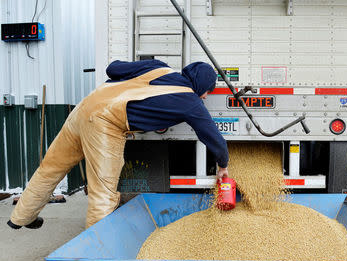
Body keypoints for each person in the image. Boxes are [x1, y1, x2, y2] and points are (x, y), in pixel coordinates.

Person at [7, 60, 229, 229]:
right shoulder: (191, 102)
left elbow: (113, 68)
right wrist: (223, 165)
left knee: (51, 166)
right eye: (208, 90)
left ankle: (21, 217)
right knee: (103, 191)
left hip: (85, 107)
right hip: (105, 122)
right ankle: (98, 253)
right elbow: (212, 137)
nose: (207, 96)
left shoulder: (160, 68)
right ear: (201, 85)